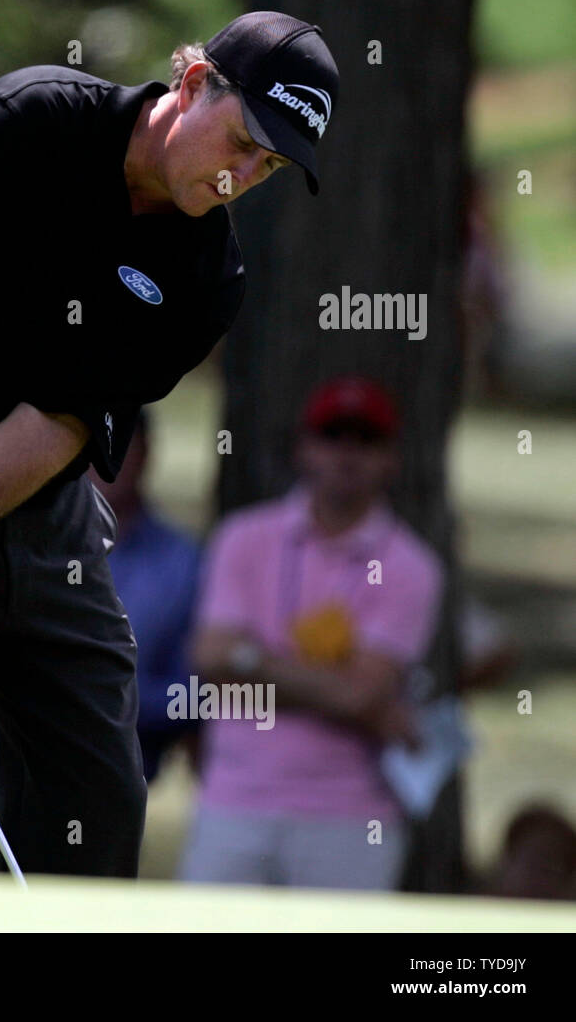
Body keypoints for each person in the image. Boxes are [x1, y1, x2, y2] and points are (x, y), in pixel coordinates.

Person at [0, 12, 340, 876]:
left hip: (33, 509)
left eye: (264, 167)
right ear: (193, 86)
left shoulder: (207, 276)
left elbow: (63, 418)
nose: (239, 176)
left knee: (98, 797)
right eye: (240, 141)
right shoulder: (25, 123)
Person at [181, 376, 443, 890]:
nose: (347, 454)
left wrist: (252, 660)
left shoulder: (411, 565)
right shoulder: (244, 537)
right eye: (333, 435)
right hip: (235, 802)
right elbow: (209, 658)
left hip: (349, 816)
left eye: (366, 440)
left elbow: (362, 693)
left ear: (392, 458)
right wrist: (338, 687)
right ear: (304, 448)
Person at [90, 407, 202, 782]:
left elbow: (192, 696)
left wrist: (101, 699)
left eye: (119, 444)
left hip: (124, 775)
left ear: (147, 451)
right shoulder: (32, 547)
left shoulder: (183, 561)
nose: (103, 459)